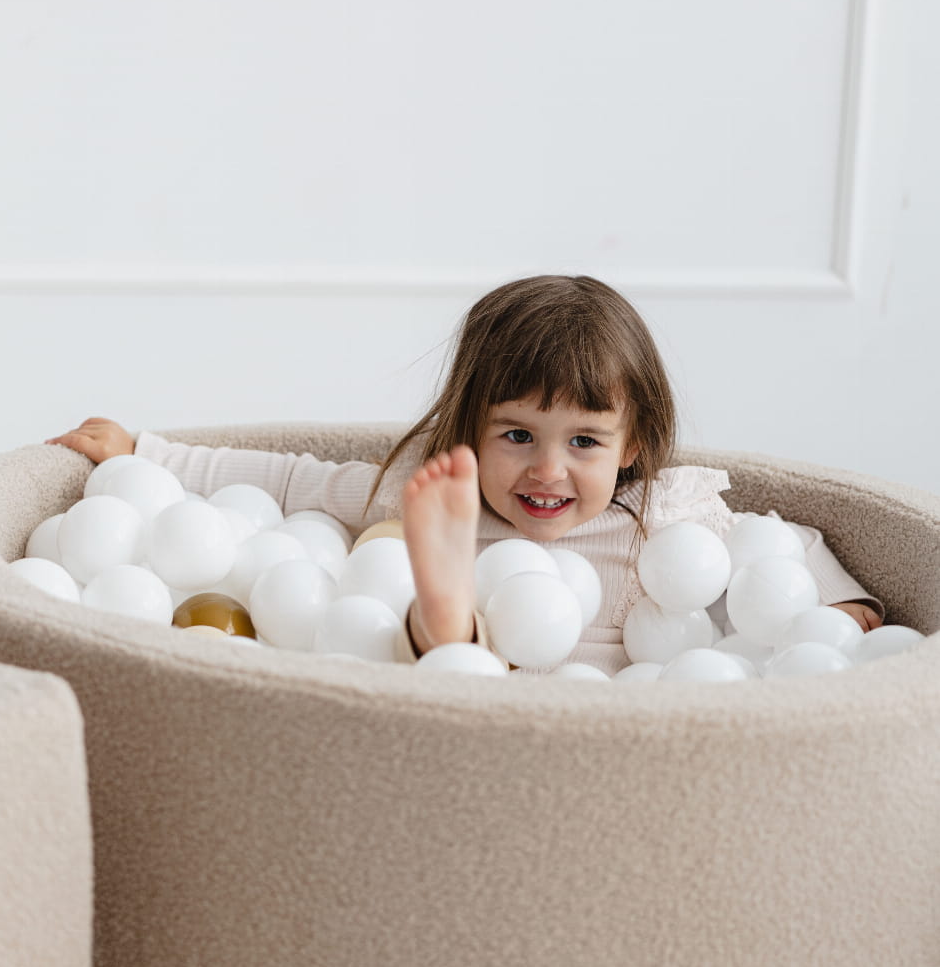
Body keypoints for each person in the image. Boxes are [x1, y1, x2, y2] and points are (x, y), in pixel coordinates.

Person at [48, 274, 882, 672]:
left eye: (583, 442)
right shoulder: (438, 494)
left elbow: (785, 552)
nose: (547, 469)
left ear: (632, 446)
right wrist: (148, 456)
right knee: (421, 640)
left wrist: (841, 615)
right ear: (470, 428)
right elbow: (291, 481)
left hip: (625, 727)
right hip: (471, 716)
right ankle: (447, 614)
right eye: (517, 434)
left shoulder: (667, 517)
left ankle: (449, 622)